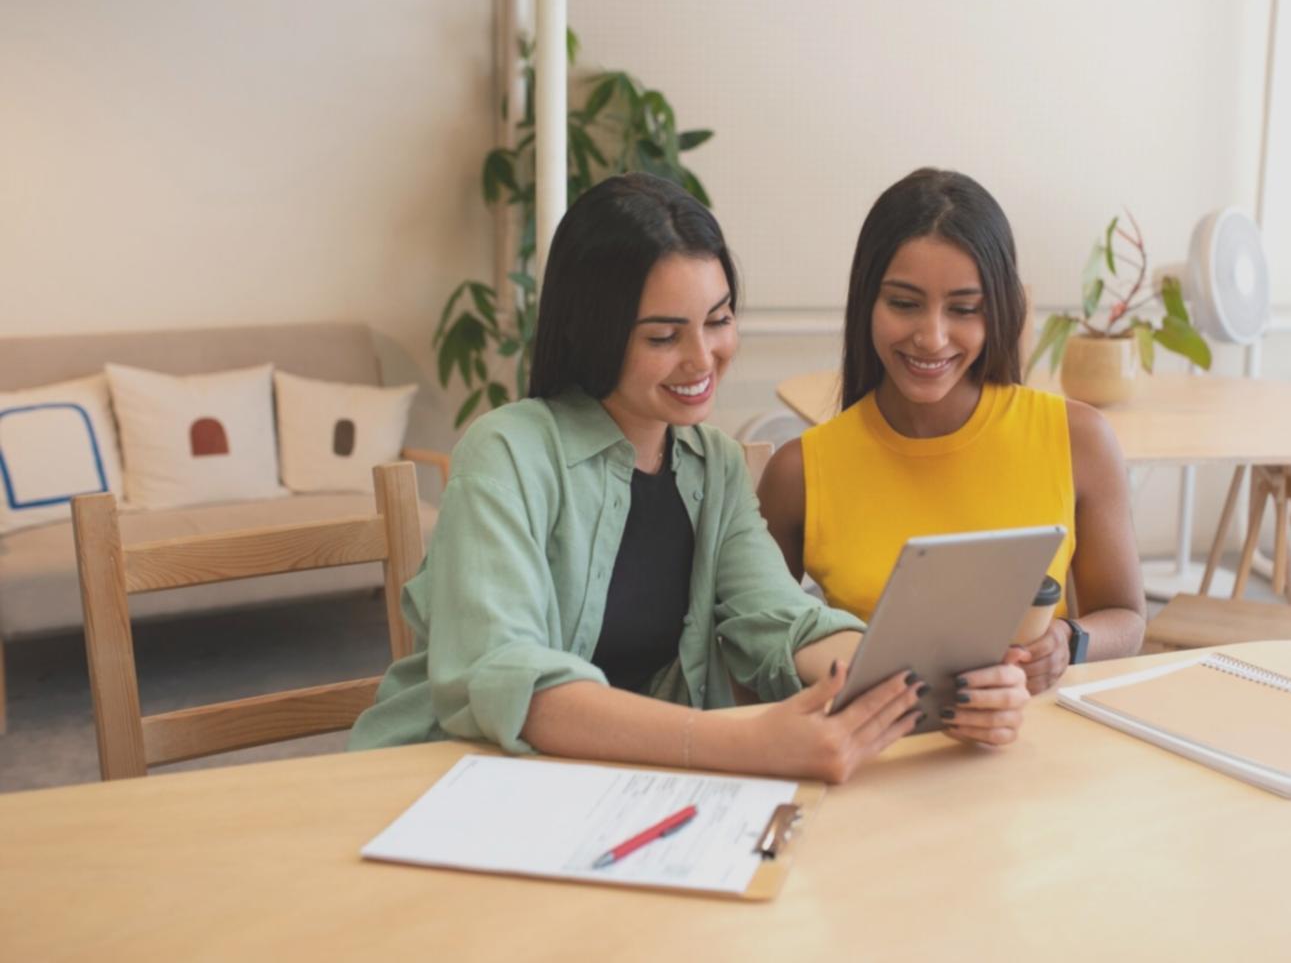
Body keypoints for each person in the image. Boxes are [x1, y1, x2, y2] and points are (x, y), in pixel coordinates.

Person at [350, 173, 1030, 782]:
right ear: (595, 332)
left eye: (719, 319)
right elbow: (512, 681)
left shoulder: (714, 465)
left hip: (619, 790)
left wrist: (932, 682)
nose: (702, 357)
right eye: (662, 335)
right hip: (452, 784)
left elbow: (783, 621)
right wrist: (748, 743)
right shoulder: (506, 452)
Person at [758, 168, 1145, 697]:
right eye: (904, 303)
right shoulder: (799, 472)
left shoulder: (1079, 440)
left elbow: (1126, 618)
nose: (932, 337)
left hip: (1035, 747)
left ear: (997, 311)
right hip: (873, 754)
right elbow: (756, 644)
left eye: (964, 309)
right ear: (867, 301)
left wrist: (1067, 641)